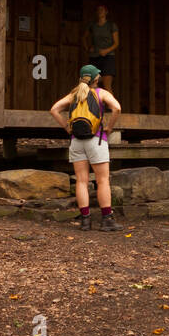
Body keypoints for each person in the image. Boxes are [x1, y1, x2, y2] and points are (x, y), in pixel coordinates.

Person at [51, 64, 123, 231]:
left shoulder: (73, 95)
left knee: (81, 181)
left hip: (76, 141)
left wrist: (67, 128)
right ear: (96, 78)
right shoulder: (101, 93)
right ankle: (106, 220)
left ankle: (85, 220)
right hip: (96, 140)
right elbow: (117, 108)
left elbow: (54, 109)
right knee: (102, 180)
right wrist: (110, 128)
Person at [83, 4, 120, 93]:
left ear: (106, 12)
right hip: (94, 57)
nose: (100, 11)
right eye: (98, 10)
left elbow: (116, 43)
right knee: (92, 85)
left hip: (107, 57)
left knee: (107, 86)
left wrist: (106, 50)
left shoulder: (111, 25)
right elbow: (84, 37)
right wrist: (88, 48)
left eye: (102, 10)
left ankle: (111, 107)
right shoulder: (93, 25)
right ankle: (94, 106)